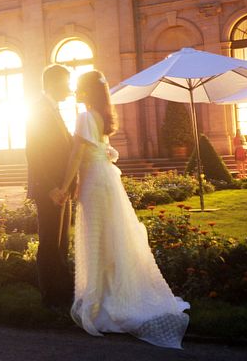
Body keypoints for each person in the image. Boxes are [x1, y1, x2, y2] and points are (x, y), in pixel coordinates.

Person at [54, 70, 189, 349]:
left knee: (98, 238)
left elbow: (77, 154)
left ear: (87, 91)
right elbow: (99, 153)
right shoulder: (101, 116)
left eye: (79, 87)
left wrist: (65, 186)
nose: (76, 91)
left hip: (95, 182)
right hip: (105, 180)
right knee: (111, 237)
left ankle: (102, 299)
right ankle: (111, 292)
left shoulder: (84, 117)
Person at [25, 64, 75, 311]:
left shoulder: (52, 109)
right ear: (54, 83)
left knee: (61, 243)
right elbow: (34, 154)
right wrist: (50, 188)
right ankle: (50, 298)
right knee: (49, 244)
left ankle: (62, 293)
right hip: (50, 191)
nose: (70, 88)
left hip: (61, 189)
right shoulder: (38, 110)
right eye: (67, 82)